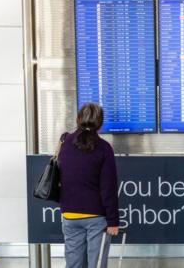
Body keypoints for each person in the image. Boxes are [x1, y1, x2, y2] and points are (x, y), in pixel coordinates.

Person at [58, 103, 119, 268]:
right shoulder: (104, 148)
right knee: (97, 264)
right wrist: (113, 220)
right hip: (96, 217)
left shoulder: (65, 142)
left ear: (78, 119)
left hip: (70, 214)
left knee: (74, 265)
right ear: (100, 123)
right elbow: (108, 187)